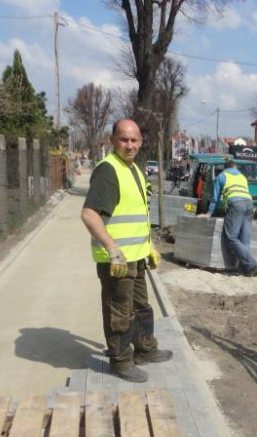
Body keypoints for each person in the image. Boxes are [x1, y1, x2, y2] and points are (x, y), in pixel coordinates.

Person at [80, 119, 172, 383]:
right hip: (117, 260)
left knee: (142, 306)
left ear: (141, 142)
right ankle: (121, 362)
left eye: (134, 140)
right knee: (120, 311)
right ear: (113, 141)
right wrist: (112, 249)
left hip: (137, 256)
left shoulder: (134, 170)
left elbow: (137, 215)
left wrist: (150, 247)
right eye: (124, 139)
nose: (129, 145)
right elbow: (89, 214)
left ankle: (145, 350)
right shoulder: (109, 170)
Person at [198, 157, 257, 276]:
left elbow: (215, 197)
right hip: (249, 205)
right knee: (244, 240)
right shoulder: (242, 176)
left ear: (225, 168)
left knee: (231, 237)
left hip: (237, 205)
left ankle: (251, 263)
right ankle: (246, 269)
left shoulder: (222, 176)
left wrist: (209, 213)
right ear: (234, 166)